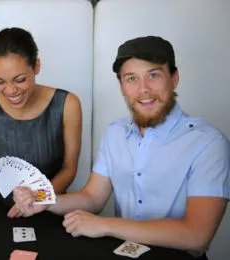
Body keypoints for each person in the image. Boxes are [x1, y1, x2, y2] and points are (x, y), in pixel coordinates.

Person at [13, 36, 229, 258]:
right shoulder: (115, 132)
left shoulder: (209, 143)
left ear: (174, 79)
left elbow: (197, 236)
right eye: (131, 78)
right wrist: (45, 200)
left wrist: (105, 225)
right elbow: (92, 197)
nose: (143, 89)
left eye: (153, 75)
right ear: (122, 86)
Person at [0, 27, 82, 216]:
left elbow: (69, 168)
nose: (10, 90)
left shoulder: (67, 104)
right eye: (0, 81)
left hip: (51, 211)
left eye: (20, 80)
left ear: (36, 66)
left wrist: (38, 199)